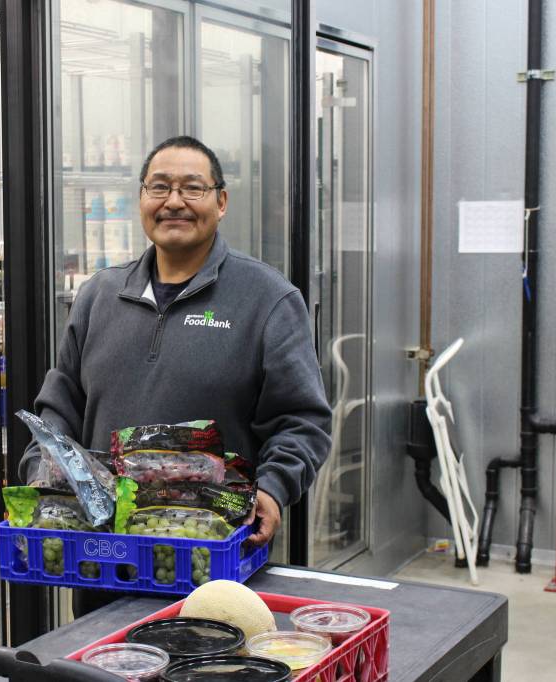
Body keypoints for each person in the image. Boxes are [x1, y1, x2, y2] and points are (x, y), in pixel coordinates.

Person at [21, 135, 332, 616]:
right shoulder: (99, 295)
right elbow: (61, 405)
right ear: (142, 199)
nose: (174, 202)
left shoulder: (267, 300)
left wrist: (273, 487)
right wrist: (43, 480)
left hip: (219, 564)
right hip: (106, 563)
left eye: (192, 188)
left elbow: (302, 420)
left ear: (221, 201)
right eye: (159, 187)